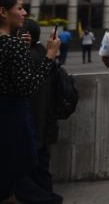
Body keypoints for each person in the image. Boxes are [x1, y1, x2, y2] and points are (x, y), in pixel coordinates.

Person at [0, 0, 60, 203]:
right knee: (17, 171)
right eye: (19, 8)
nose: (24, 13)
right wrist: (50, 55)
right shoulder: (12, 44)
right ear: (3, 12)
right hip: (12, 118)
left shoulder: (12, 44)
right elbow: (29, 86)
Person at [15, 18, 63, 204]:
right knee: (42, 169)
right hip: (45, 123)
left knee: (25, 173)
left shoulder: (27, 57)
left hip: (29, 123)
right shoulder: (43, 54)